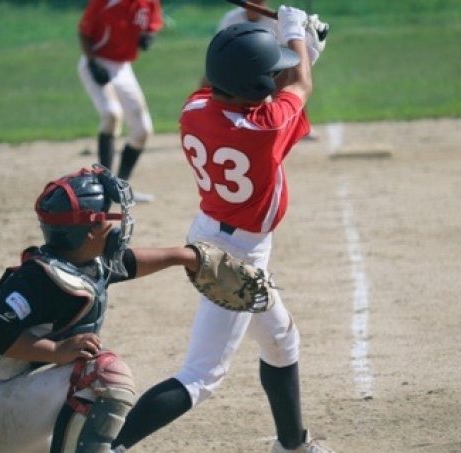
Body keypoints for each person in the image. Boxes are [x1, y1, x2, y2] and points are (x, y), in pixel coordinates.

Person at [111, 8, 334, 453]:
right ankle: (109, 447)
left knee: (281, 341)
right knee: (202, 375)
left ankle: (292, 445)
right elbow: (298, 86)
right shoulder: (263, 128)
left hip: (212, 232)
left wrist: (301, 51)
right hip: (237, 256)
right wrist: (297, 37)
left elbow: (271, 87)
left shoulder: (194, 109)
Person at [0, 165, 215, 452]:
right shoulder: (38, 279)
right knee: (103, 373)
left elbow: (128, 263)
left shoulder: (79, 263)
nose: (114, 227)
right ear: (89, 231)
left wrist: (184, 256)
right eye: (106, 218)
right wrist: (55, 350)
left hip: (20, 401)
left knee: (93, 373)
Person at [77, 0, 164, 203]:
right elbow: (83, 32)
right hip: (98, 62)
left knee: (142, 130)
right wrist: (92, 62)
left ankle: (119, 188)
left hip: (123, 68)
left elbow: (151, 26)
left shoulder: (149, 2)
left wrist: (148, 37)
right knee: (111, 114)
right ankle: (104, 186)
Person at [201, 0, 320, 141]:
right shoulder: (231, 18)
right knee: (292, 89)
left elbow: (287, 52)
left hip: (271, 65)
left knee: (287, 85)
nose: (256, 4)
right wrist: (305, 46)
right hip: (238, 67)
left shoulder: (190, 109)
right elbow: (300, 84)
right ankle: (212, 117)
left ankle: (301, 125)